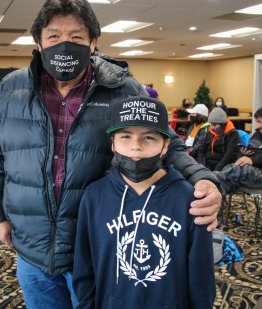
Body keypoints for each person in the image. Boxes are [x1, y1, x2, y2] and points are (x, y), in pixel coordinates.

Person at [0, 0, 221, 309]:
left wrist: (205, 179)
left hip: (98, 246)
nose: (64, 44)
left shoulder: (123, 89)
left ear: (93, 42)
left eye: (76, 37)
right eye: (53, 36)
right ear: (38, 42)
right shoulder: (11, 89)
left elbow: (167, 142)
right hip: (31, 244)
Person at [73, 95, 216, 308]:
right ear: (112, 143)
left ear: (166, 145)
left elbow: (201, 276)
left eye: (149, 137)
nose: (136, 147)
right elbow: (84, 269)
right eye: (125, 136)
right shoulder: (94, 196)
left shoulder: (189, 199)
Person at [214, 106, 262, 195]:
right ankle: (217, 198)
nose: (258, 125)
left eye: (260, 122)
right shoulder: (258, 134)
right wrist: (244, 154)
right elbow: (254, 152)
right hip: (251, 171)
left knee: (235, 171)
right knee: (228, 173)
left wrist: (251, 160)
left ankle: (212, 178)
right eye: (257, 122)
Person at [196, 108, 240, 172]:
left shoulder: (232, 134)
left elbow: (229, 156)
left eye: (215, 125)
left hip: (223, 167)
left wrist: (216, 171)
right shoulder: (210, 132)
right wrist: (201, 166)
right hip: (208, 165)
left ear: (223, 124)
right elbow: (201, 150)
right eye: (211, 124)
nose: (213, 128)